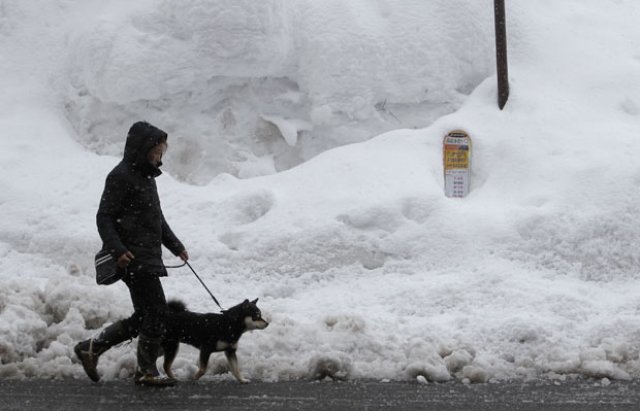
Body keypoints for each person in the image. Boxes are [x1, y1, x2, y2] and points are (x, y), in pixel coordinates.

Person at [74, 121, 188, 387]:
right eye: (157, 152)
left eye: (162, 153)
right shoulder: (120, 176)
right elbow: (104, 217)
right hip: (132, 258)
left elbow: (156, 219)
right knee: (157, 312)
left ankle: (91, 348)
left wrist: (176, 246)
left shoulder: (147, 178)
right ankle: (146, 370)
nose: (160, 158)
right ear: (144, 148)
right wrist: (119, 250)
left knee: (145, 315)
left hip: (146, 256)